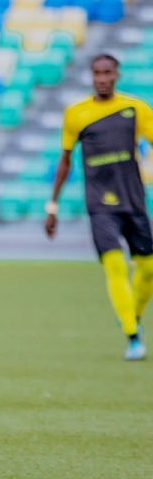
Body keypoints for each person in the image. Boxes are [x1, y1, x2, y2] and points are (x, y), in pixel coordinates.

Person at [47, 53, 153, 360]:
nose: (102, 78)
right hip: (100, 204)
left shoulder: (135, 109)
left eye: (108, 73)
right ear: (91, 76)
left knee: (148, 269)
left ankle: (130, 315)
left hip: (133, 200)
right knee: (115, 265)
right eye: (97, 73)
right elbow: (65, 160)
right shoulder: (77, 114)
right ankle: (133, 337)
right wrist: (52, 206)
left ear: (116, 75)